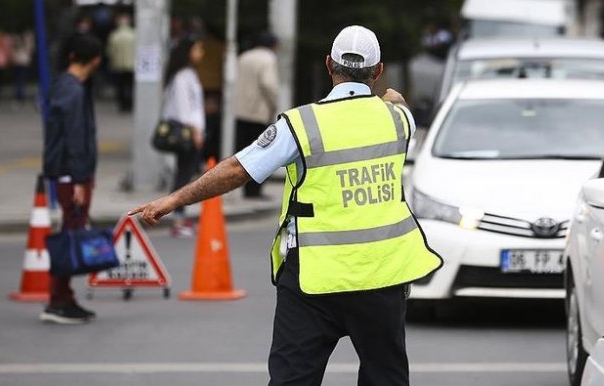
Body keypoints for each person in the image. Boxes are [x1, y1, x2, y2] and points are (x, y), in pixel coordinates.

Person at [129, 25, 443, 385]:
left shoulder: (302, 124)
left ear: (329, 65)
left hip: (314, 279)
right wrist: (393, 99)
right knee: (385, 378)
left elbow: (237, 169)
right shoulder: (399, 120)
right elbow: (398, 106)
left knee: (293, 380)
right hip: (381, 276)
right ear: (378, 70)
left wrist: (173, 199)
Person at [41, 34, 102, 324]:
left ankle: (63, 297)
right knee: (70, 235)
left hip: (69, 173)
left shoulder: (63, 85)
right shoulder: (74, 91)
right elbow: (75, 138)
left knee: (71, 231)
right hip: (71, 175)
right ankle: (58, 300)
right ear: (95, 60)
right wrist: (80, 179)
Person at [161, 35, 205, 238]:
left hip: (192, 132)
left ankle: (180, 215)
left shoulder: (188, 74)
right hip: (187, 133)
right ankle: (177, 218)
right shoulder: (182, 77)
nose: (200, 53)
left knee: (185, 173)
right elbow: (184, 109)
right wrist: (195, 131)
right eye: (197, 49)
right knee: (183, 175)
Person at [233, 31, 279, 198]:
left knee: (244, 152)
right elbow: (268, 84)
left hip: (241, 110)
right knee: (261, 153)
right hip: (259, 112)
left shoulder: (244, 57)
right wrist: (273, 103)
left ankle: (245, 188)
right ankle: (255, 190)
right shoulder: (268, 59)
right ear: (273, 45)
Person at [107, 13, 135, 112]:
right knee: (130, 85)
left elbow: (110, 51)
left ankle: (122, 104)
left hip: (118, 65)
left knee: (120, 85)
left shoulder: (114, 35)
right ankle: (130, 103)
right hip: (132, 64)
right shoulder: (134, 35)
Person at [10, 28, 34, 107]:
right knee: (21, 80)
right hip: (23, 62)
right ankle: (20, 96)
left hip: (18, 62)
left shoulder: (18, 41)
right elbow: (29, 52)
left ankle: (18, 96)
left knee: (18, 80)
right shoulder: (26, 42)